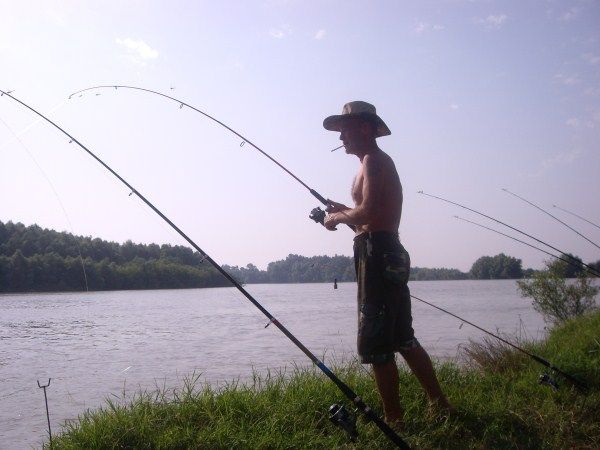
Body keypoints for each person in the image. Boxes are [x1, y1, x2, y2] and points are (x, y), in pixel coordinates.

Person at [322, 101, 451, 427]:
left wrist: (337, 217)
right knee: (402, 337)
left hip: (378, 255)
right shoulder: (370, 163)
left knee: (378, 343)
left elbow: (368, 212)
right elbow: (369, 219)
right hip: (382, 249)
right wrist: (344, 213)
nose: (341, 137)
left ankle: (394, 420)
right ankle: (440, 405)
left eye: (345, 130)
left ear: (365, 128)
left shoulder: (374, 160)